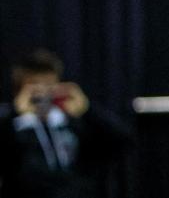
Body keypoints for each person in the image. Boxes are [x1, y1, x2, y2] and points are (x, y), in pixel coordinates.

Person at [0, 50, 131, 198]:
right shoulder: (11, 126)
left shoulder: (71, 123)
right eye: (35, 86)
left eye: (49, 85)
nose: (43, 93)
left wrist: (87, 109)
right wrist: (15, 112)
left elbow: (123, 138)